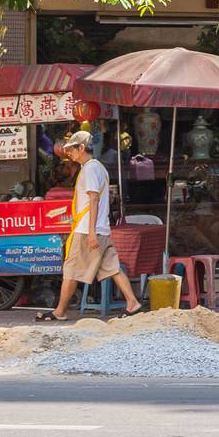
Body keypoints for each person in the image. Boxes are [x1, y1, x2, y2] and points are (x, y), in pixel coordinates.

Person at [37, 130, 142, 321]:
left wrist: (91, 231)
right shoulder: (98, 167)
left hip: (88, 230)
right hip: (101, 229)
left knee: (70, 270)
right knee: (113, 268)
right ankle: (133, 303)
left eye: (72, 149)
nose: (69, 153)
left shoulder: (90, 169)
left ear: (82, 148)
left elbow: (93, 200)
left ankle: (60, 311)